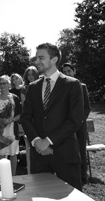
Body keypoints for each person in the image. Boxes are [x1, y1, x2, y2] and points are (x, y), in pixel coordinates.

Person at [21, 43, 84, 191]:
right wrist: (37, 141)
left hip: (65, 154)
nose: (37, 62)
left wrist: (48, 141)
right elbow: (25, 117)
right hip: (39, 156)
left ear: (54, 59)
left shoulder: (72, 85)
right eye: (36, 58)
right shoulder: (33, 87)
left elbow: (75, 120)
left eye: (41, 58)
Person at [61, 62, 92, 185]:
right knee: (66, 152)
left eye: (69, 71)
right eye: (64, 72)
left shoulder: (82, 86)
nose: (67, 73)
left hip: (79, 126)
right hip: (64, 126)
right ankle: (66, 176)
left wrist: (79, 121)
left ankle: (82, 177)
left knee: (80, 151)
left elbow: (87, 108)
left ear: (74, 71)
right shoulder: (61, 87)